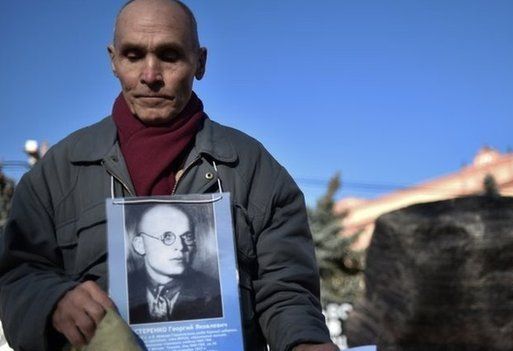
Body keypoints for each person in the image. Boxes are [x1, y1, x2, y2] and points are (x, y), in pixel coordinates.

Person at [0, 1, 337, 350]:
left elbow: (286, 290)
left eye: (169, 55)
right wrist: (52, 301)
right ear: (113, 61)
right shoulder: (58, 172)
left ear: (200, 62)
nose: (150, 75)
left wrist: (304, 341)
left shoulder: (253, 170)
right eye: (133, 55)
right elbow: (16, 275)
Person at [127, 204, 222, 323]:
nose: (181, 246)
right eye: (167, 237)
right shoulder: (125, 288)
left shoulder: (215, 292)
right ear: (140, 245)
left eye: (187, 237)